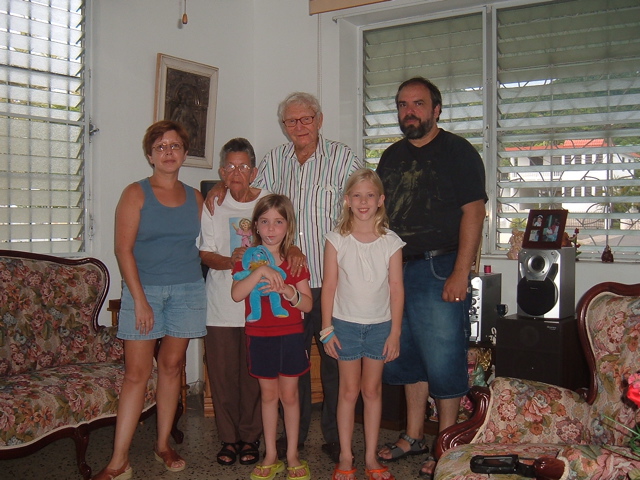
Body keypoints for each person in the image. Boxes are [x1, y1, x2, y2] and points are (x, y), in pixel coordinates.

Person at [207, 92, 363, 462]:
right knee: (295, 363)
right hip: (285, 282)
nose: (299, 126)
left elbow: (364, 199)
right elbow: (252, 197)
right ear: (284, 126)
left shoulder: (342, 158)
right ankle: (297, 439)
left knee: (333, 360)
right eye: (291, 121)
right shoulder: (275, 160)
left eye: (306, 119)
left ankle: (333, 437)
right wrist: (222, 184)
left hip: (330, 277)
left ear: (319, 120)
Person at [375, 77, 487, 479]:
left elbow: (474, 212)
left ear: (436, 110)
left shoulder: (458, 151)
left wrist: (461, 272)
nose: (409, 111)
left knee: (443, 358)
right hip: (398, 269)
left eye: (418, 104)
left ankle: (447, 445)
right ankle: (413, 435)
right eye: (402, 104)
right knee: (408, 357)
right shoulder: (390, 157)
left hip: (442, 268)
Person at [93, 120, 206, 480]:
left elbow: (208, 243)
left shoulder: (196, 198)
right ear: (150, 155)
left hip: (188, 289)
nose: (168, 152)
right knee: (136, 374)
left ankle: (163, 445)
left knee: (172, 367)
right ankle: (119, 460)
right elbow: (123, 250)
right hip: (145, 292)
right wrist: (140, 301)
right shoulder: (135, 193)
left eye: (175, 146)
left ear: (184, 153)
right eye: (160, 147)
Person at [321, 168, 405, 480]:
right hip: (344, 326)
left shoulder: (391, 242)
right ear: (347, 200)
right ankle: (346, 454)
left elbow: (396, 289)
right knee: (348, 392)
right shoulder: (336, 239)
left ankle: (370, 455)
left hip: (380, 327)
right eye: (357, 196)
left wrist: (395, 332)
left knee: (372, 391)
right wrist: (326, 328)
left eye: (370, 195)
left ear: (380, 200)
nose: (363, 201)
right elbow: (329, 286)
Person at [231, 194, 313, 480]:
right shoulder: (247, 260)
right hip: (259, 336)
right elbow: (237, 294)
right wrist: (262, 271)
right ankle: (270, 455)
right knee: (268, 396)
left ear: (288, 225)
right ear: (255, 225)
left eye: (278, 222)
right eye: (264, 221)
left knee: (289, 396)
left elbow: (308, 304)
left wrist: (287, 291)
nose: (271, 228)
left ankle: (292, 456)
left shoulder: (295, 261)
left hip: (290, 336)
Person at [199, 138, 270, 467]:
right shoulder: (213, 204)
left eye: (243, 167)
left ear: (254, 172)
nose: (236, 172)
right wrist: (232, 261)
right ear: (221, 171)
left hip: (260, 302)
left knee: (254, 374)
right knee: (223, 375)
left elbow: (281, 243)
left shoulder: (268, 201)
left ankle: (251, 436)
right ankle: (228, 438)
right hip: (221, 304)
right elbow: (205, 253)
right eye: (229, 166)